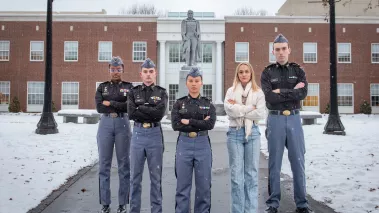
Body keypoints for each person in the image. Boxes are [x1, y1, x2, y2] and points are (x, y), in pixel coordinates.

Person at [261, 34, 310, 213]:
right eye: (277, 49)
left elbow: (303, 93)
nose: (281, 52)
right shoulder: (267, 72)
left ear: (289, 50)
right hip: (275, 119)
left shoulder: (298, 71)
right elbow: (270, 97)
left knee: (298, 162)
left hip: (295, 120)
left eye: (284, 49)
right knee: (274, 162)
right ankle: (273, 204)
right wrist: (291, 91)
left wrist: (281, 91)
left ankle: (302, 204)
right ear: (273, 51)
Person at [171, 67, 216, 213]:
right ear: (186, 83)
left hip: (203, 144)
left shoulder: (208, 104)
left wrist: (188, 121)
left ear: (202, 83)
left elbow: (210, 124)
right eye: (191, 81)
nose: (194, 84)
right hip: (184, 144)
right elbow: (175, 124)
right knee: (182, 187)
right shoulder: (178, 104)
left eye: (197, 81)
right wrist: (199, 121)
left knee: (203, 187)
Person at [224, 62, 266, 213]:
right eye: (241, 72)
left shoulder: (258, 92)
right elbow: (229, 111)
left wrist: (238, 108)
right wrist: (249, 108)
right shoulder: (230, 91)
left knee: (251, 176)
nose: (243, 74)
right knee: (236, 177)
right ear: (237, 74)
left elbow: (261, 113)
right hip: (234, 133)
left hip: (253, 133)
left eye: (246, 71)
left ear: (251, 74)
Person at [128, 58, 168, 213]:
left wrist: (141, 108)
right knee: (135, 178)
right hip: (138, 135)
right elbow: (131, 113)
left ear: (155, 73)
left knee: (155, 179)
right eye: (145, 72)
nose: (148, 75)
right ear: (141, 74)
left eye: (151, 72)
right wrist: (150, 108)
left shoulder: (161, 92)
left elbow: (159, 114)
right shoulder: (133, 92)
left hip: (154, 135)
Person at [95, 56, 133, 213]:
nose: (115, 72)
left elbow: (129, 107)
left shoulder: (129, 87)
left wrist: (110, 103)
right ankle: (105, 203)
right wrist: (119, 105)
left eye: (118, 69)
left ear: (123, 69)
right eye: (113, 69)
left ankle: (123, 203)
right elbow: (99, 107)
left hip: (123, 125)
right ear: (109, 70)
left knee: (124, 165)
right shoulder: (101, 87)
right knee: (104, 165)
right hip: (105, 125)